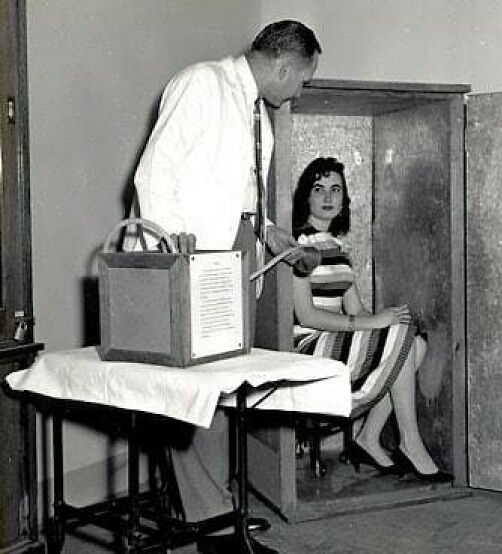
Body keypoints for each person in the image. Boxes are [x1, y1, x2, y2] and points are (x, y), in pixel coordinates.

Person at [128, 20, 322, 551]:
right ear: (285, 65)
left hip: (232, 260)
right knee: (198, 393)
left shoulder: (258, 112)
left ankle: (218, 515)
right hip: (188, 262)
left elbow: (241, 200)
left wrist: (271, 233)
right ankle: (214, 523)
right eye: (303, 80)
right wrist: (173, 256)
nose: (299, 91)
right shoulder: (201, 84)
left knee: (221, 392)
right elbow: (152, 176)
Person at [291, 157, 452, 482]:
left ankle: (368, 437)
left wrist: (386, 319)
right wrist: (375, 324)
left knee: (415, 345)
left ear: (344, 198)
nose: (327, 197)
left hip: (336, 340)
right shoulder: (297, 246)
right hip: (306, 346)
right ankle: (411, 442)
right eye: (318, 189)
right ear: (306, 197)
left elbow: (357, 310)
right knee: (399, 337)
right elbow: (305, 314)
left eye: (335, 189)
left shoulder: (338, 249)